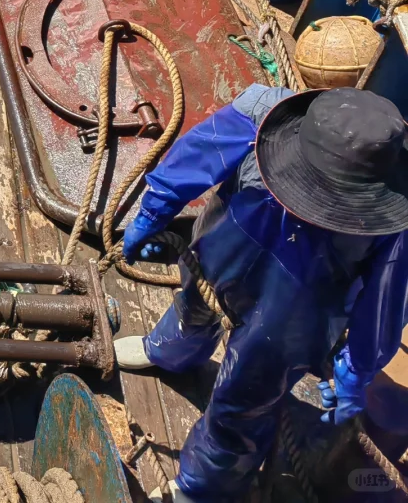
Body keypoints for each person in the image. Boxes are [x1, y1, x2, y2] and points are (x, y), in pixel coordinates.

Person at [112, 85, 408, 502]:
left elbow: (386, 301)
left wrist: (355, 370)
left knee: (245, 400)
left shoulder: (399, 219)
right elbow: (198, 154)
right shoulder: (262, 112)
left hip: (295, 311)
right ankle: (168, 351)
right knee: (193, 304)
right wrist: (153, 210)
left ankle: (206, 486)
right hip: (222, 246)